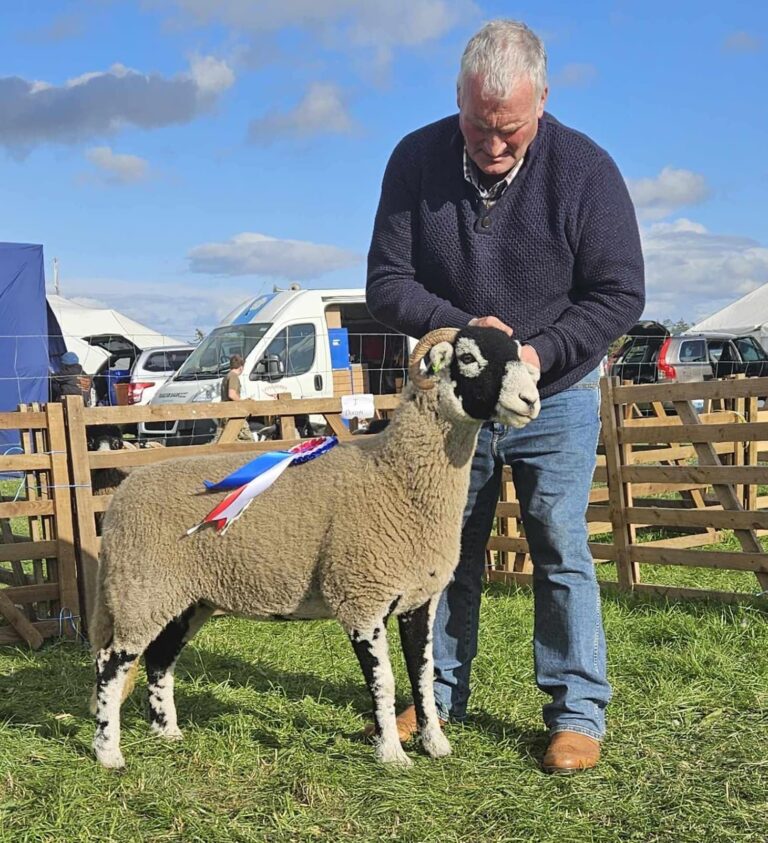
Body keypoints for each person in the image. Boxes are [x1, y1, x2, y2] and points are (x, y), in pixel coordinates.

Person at [366, 19, 645, 772]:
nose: (493, 143)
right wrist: (466, 334)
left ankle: (576, 711)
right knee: (442, 551)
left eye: (510, 128)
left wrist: (532, 352)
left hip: (554, 394)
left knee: (560, 543)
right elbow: (386, 282)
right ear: (458, 99)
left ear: (542, 102)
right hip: (456, 407)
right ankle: (434, 696)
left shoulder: (586, 170)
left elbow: (620, 292)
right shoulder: (415, 161)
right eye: (479, 125)